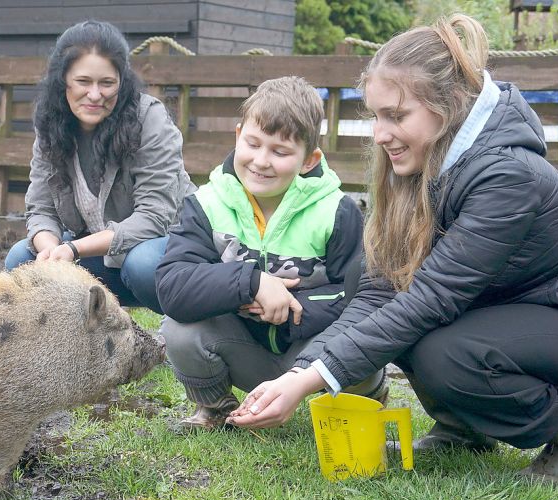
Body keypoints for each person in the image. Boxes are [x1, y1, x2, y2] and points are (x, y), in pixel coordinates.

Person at [227, 15, 558, 485]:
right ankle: (464, 428)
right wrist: (306, 370)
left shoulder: (506, 176)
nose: (380, 133)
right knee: (367, 280)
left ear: (449, 105)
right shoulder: (418, 163)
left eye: (396, 115)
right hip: (530, 309)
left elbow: (429, 300)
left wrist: (310, 382)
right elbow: (379, 293)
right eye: (375, 115)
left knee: (445, 350)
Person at [155, 76, 386, 430]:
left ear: (309, 160)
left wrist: (292, 308)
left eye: (280, 151)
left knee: (362, 337)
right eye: (253, 143)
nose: (261, 161)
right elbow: (173, 285)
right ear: (237, 136)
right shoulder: (205, 203)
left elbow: (361, 297)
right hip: (246, 349)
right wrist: (252, 283)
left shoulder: (337, 212)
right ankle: (217, 408)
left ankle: (363, 397)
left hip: (315, 354)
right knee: (179, 330)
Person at [5, 20, 195, 314]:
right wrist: (51, 250)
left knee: (142, 263)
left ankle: (188, 325)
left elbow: (154, 217)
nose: (95, 95)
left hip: (165, 253)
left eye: (107, 83)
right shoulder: (51, 125)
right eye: (83, 82)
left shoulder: (149, 119)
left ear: (122, 81)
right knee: (21, 259)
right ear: (63, 80)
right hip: (100, 257)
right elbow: (40, 209)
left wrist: (73, 249)